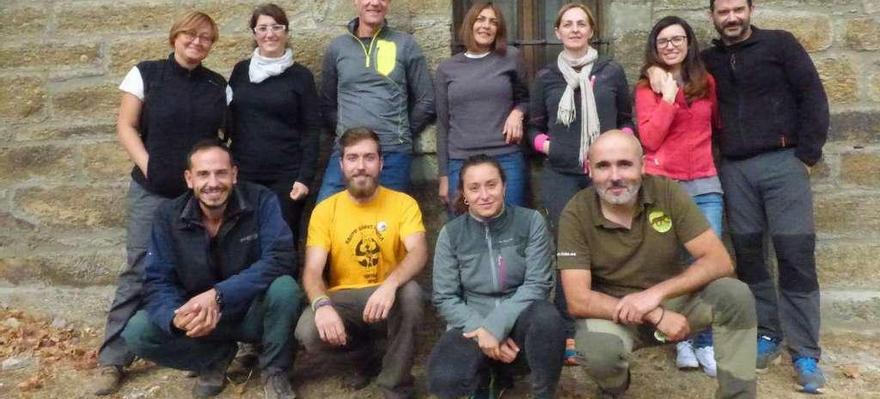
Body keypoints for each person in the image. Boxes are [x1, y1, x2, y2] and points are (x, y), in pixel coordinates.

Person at [647, 0, 830, 393]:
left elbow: (813, 96)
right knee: (749, 256)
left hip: (783, 162)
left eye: (738, 10)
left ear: (751, 9)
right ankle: (766, 333)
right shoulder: (707, 62)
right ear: (712, 16)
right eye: (723, 12)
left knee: (795, 253)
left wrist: (807, 154)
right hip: (733, 169)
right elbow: (671, 67)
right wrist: (658, 70)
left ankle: (805, 352)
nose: (731, 18)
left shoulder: (781, 45)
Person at [557, 130, 757, 399]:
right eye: (603, 166)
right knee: (598, 351)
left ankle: (738, 395)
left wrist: (656, 296)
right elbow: (578, 299)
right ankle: (614, 388)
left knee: (735, 295)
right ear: (589, 170)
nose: (615, 176)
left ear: (643, 165)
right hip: (614, 312)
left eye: (625, 164)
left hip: (672, 300)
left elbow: (719, 261)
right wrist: (653, 313)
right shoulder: (575, 212)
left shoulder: (666, 192)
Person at [94, 11, 227, 395]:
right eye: (191, 35)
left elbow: (222, 139)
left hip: (196, 196)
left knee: (198, 271)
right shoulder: (145, 73)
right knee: (139, 269)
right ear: (175, 37)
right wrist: (150, 166)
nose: (197, 43)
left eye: (206, 38)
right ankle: (113, 359)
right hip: (150, 192)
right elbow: (126, 126)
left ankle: (195, 352)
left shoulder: (218, 86)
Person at [121, 140, 301, 399]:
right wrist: (176, 317)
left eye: (221, 173)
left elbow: (281, 258)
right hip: (200, 319)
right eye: (203, 174)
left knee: (285, 289)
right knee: (137, 332)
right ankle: (213, 358)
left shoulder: (261, 200)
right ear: (189, 179)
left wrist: (219, 294)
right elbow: (158, 279)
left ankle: (275, 370)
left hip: (251, 313)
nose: (213, 183)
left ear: (234, 174)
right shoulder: (168, 216)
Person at [527, 2, 633, 363]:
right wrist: (550, 147)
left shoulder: (610, 71)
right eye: (567, 24)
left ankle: (606, 328)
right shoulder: (546, 78)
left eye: (581, 23)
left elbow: (626, 119)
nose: (574, 29)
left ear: (591, 30)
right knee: (568, 251)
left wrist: (622, 152)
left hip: (606, 176)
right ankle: (567, 331)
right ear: (558, 32)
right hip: (561, 176)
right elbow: (533, 127)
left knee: (609, 245)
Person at [295, 127, 428, 399]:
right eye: (353, 158)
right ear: (341, 164)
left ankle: (394, 384)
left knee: (411, 293)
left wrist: (390, 285)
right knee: (308, 330)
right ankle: (364, 356)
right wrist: (321, 305)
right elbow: (311, 270)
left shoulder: (403, 204)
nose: (361, 166)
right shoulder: (325, 210)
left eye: (369, 158)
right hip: (345, 300)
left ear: (381, 163)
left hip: (387, 297)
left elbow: (418, 252)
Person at [428, 154, 565, 399]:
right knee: (443, 379)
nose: (484, 194)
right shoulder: (451, 234)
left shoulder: (531, 222)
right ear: (464, 194)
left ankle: (543, 393)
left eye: (491, 185)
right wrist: (483, 332)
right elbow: (445, 297)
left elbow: (538, 284)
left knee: (548, 318)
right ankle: (486, 380)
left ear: (505, 186)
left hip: (521, 320)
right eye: (474, 188)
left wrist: (497, 327)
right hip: (472, 326)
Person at [634, 16, 722, 376]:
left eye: (677, 39)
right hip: (664, 186)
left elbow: (715, 126)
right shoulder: (645, 88)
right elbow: (650, 139)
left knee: (707, 264)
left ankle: (705, 341)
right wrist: (668, 98)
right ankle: (681, 338)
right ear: (654, 48)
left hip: (705, 184)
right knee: (670, 264)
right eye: (663, 41)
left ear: (689, 43)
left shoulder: (707, 83)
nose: (671, 46)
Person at [317, 0, 435, 201]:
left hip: (392, 154)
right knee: (326, 215)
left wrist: (400, 131)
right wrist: (345, 132)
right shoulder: (337, 48)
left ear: (388, 2)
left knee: (387, 226)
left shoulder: (405, 45)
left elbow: (427, 100)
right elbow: (327, 103)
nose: (375, 2)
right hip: (346, 153)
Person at [228, 3, 321, 250]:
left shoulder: (301, 76)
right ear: (254, 34)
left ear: (286, 33)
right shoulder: (240, 72)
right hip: (245, 174)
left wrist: (304, 178)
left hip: (286, 178)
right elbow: (229, 120)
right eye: (263, 28)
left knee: (281, 242)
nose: (270, 34)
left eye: (277, 27)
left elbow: (312, 130)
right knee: (243, 243)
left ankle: (284, 289)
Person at [435, 2, 529, 212]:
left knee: (512, 226)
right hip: (460, 161)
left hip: (505, 157)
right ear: (470, 24)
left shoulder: (510, 58)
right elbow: (442, 124)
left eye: (493, 22)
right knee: (463, 231)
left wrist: (518, 112)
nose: (486, 26)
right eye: (481, 19)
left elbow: (527, 98)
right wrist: (443, 176)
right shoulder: (447, 69)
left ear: (498, 30)